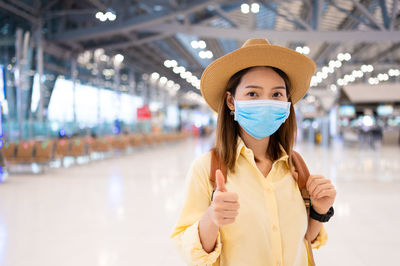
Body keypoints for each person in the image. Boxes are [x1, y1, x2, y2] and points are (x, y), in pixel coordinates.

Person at [171, 38, 337, 266]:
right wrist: (212, 218)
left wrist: (319, 210)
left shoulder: (295, 166)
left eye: (277, 94)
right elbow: (187, 248)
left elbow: (305, 239)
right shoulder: (207, 168)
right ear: (231, 101)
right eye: (253, 94)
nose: (266, 102)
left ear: (287, 103)